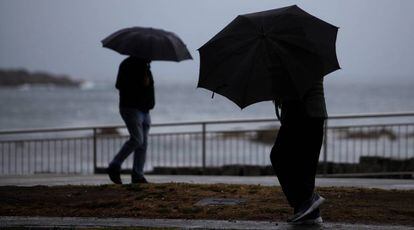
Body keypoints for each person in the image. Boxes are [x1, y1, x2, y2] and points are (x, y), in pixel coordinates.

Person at [270, 69, 327, 225]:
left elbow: (296, 86)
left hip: (302, 114)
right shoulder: (304, 54)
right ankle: (309, 212)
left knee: (279, 156)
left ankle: (307, 202)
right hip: (312, 113)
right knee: (302, 165)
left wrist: (278, 88)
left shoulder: (292, 57)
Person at [107, 56, 155, 184]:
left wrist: (145, 71)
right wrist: (140, 78)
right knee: (137, 140)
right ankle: (114, 165)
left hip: (145, 110)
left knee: (143, 144)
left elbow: (148, 86)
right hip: (131, 108)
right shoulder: (129, 64)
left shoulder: (146, 66)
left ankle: (138, 175)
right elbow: (119, 85)